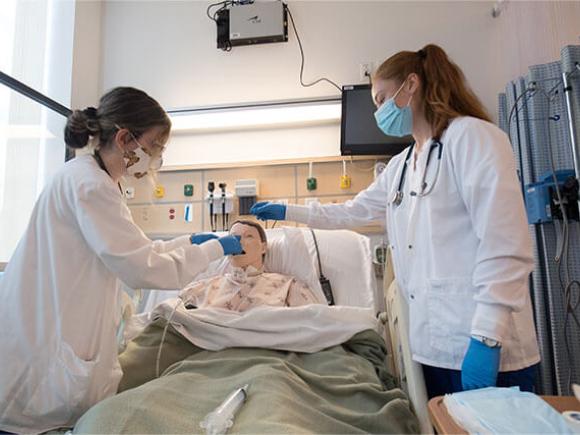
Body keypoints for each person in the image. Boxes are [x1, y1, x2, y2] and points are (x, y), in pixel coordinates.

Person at [251, 44, 540, 398]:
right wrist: (288, 210)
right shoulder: (402, 166)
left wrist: (487, 335)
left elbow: (505, 243)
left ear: (411, 85)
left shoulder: (472, 138)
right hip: (432, 347)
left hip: (484, 342)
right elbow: (351, 211)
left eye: (381, 98)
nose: (379, 111)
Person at [0, 87, 242, 433]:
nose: (156, 157)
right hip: (45, 350)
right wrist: (215, 250)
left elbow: (136, 248)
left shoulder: (95, 179)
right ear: (126, 138)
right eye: (155, 146)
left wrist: (188, 241)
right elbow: (141, 266)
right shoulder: (90, 185)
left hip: (57, 331)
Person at [180, 220, 322, 311]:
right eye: (233, 236)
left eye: (248, 236)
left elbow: (316, 321)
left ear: (263, 248)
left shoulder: (287, 285)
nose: (238, 241)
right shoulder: (205, 286)